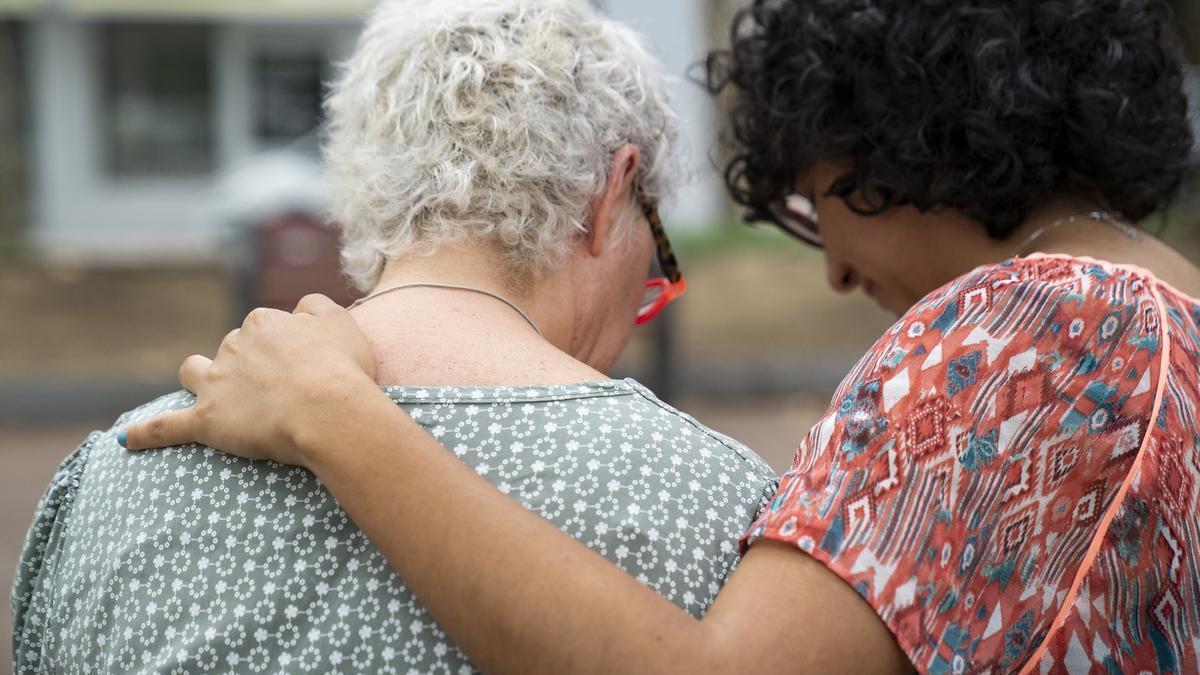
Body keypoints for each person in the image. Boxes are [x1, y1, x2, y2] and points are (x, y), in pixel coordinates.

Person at [117, 0, 1200, 672]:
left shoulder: (1033, 327)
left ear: (910, 138)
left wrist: (338, 417)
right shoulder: (1165, 319)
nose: (831, 268)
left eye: (815, 200)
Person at [10, 1, 780, 672]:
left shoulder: (111, 478)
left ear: (364, 177)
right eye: (656, 238)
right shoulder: (724, 507)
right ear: (613, 192)